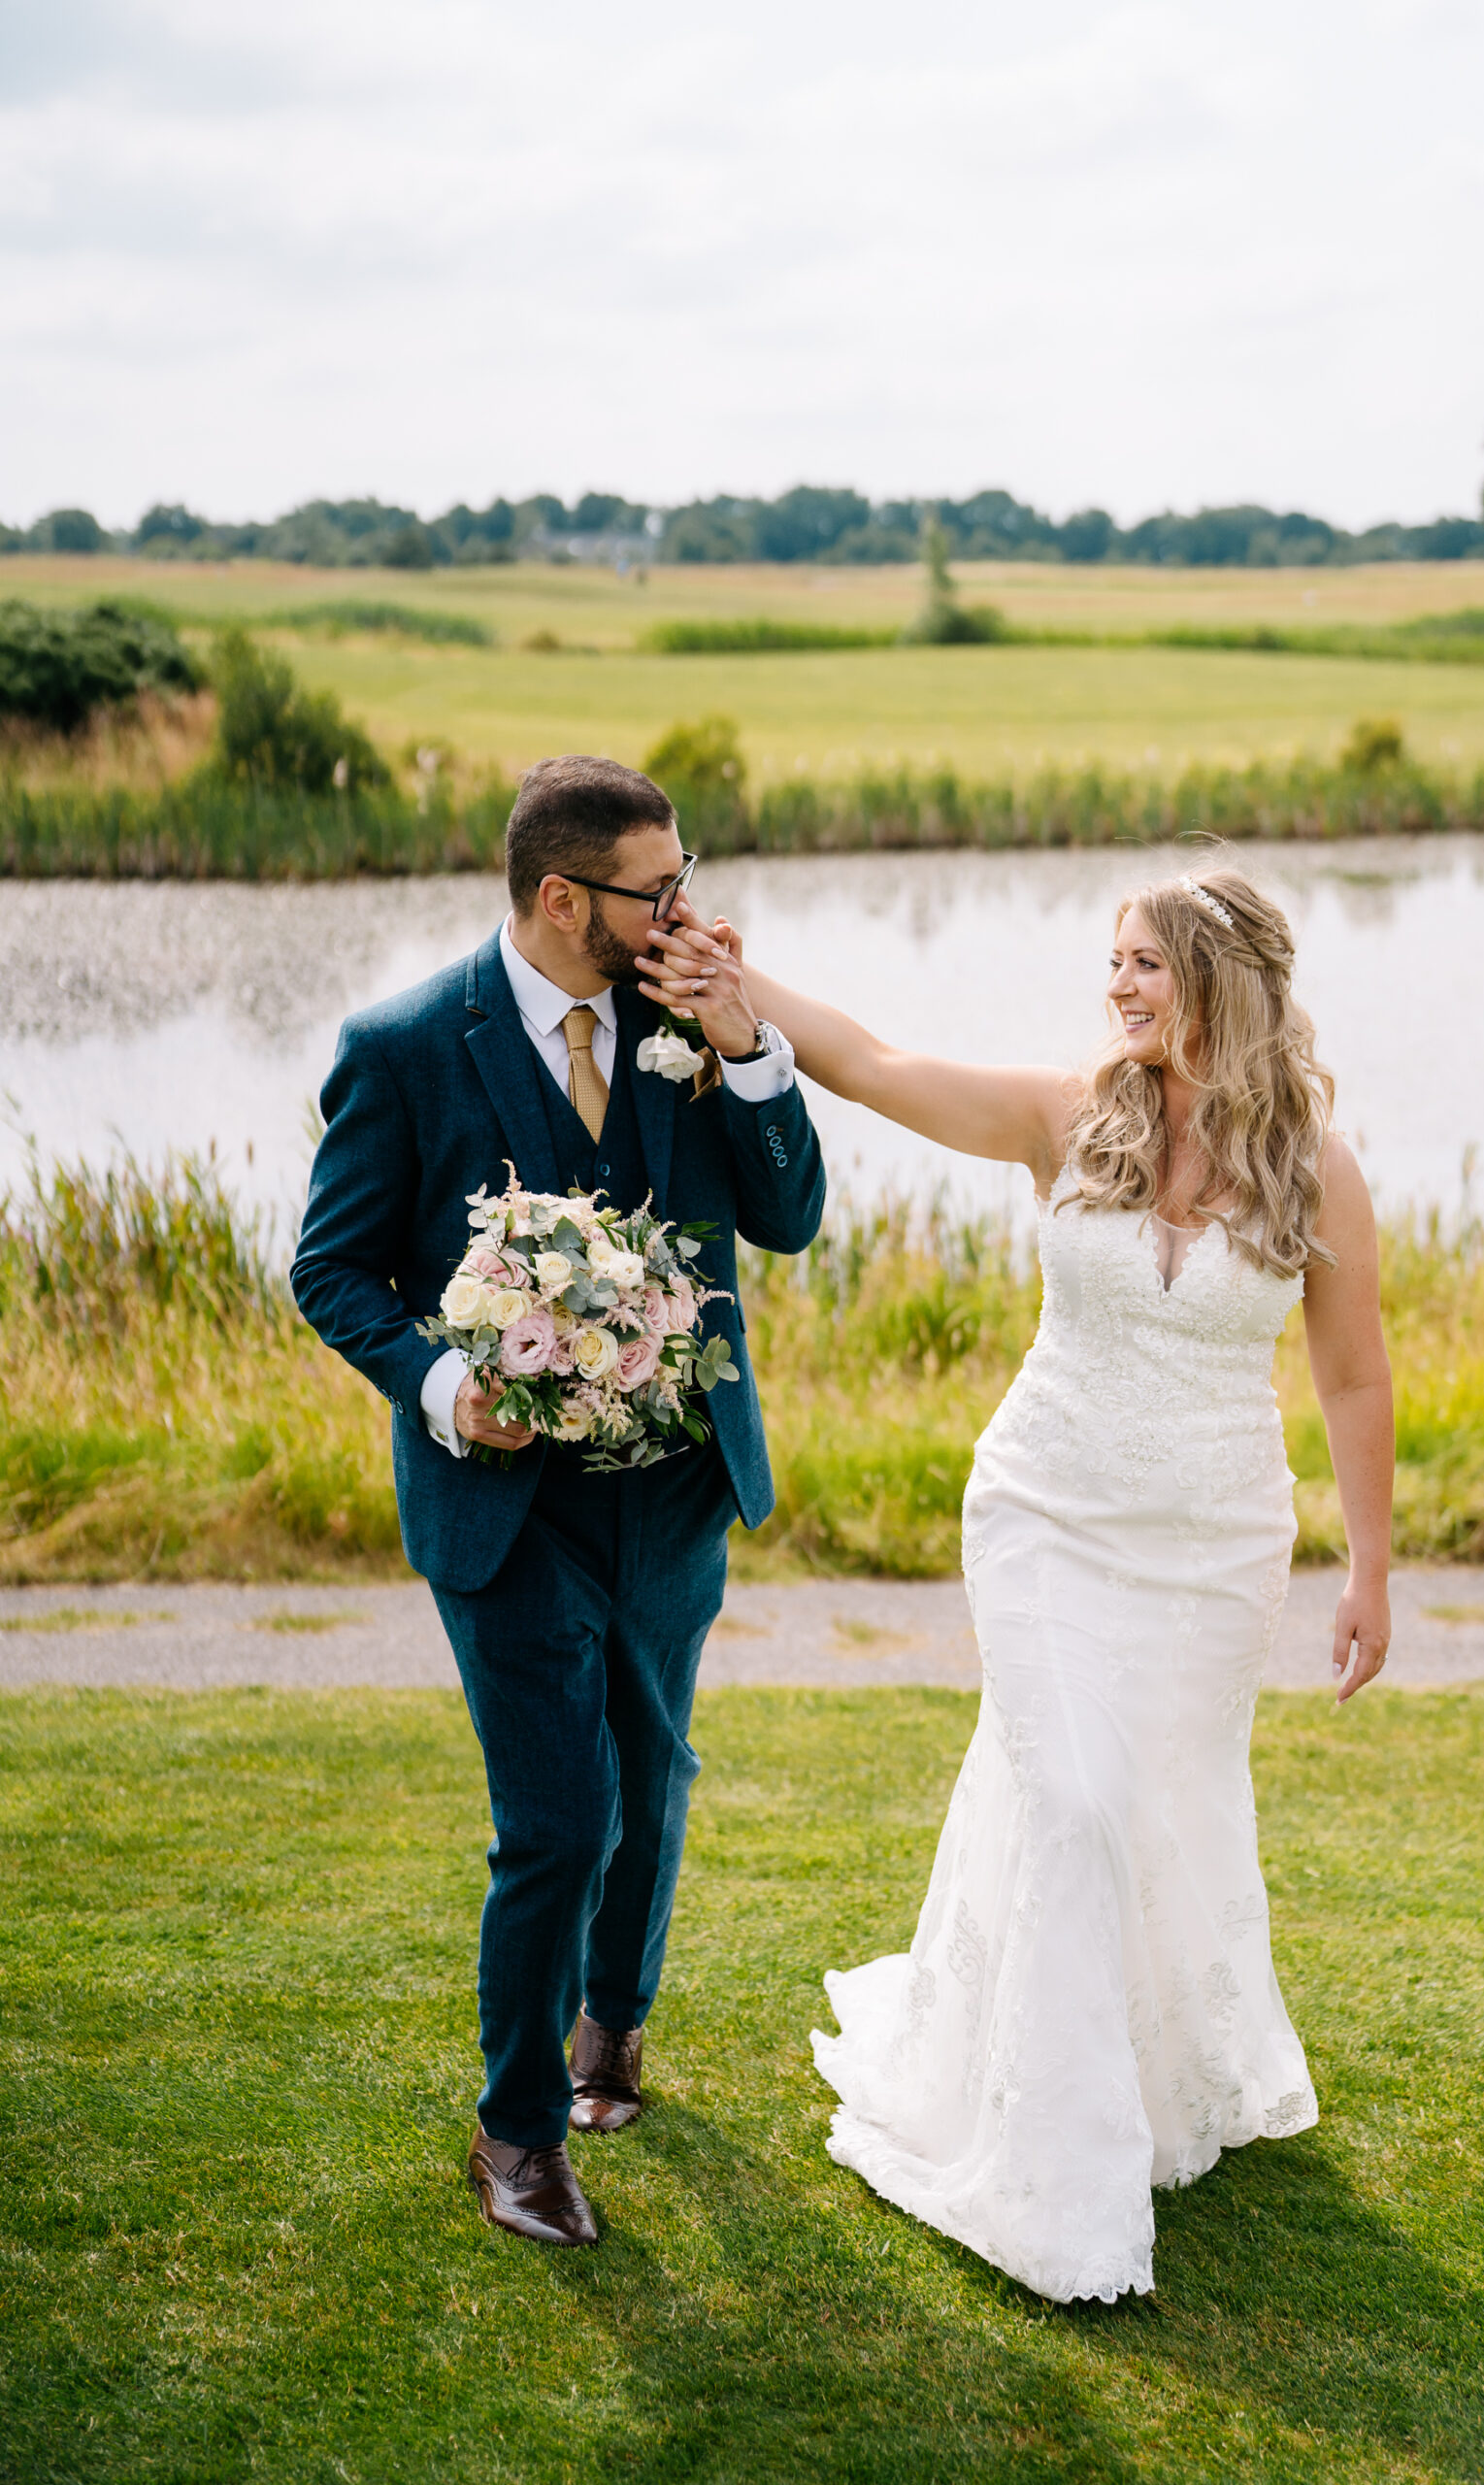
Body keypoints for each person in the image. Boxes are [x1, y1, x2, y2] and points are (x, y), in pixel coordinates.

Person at [640, 862, 1392, 2304]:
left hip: (1214, 1546)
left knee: (1159, 1808)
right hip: (1047, 1510)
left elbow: (1354, 1377)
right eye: (1113, 962)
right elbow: (874, 1064)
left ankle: (1151, 2079)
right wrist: (743, 982)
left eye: (1147, 966)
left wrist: (1372, 1568)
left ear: (1224, 981)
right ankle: (1054, 2166)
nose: (1117, 988)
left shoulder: (1317, 1163)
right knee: (1079, 1798)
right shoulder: (1069, 1114)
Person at [291, 756, 825, 2250]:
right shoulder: (403, 1046)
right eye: (660, 892)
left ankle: (616, 2024)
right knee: (558, 1818)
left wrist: (753, 1047)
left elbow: (787, 1220)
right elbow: (330, 1270)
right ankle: (516, 2133)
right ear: (560, 897)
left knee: (651, 1790)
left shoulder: (689, 1022)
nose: (688, 913)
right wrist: (446, 1387)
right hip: (504, 1512)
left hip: (671, 1498)